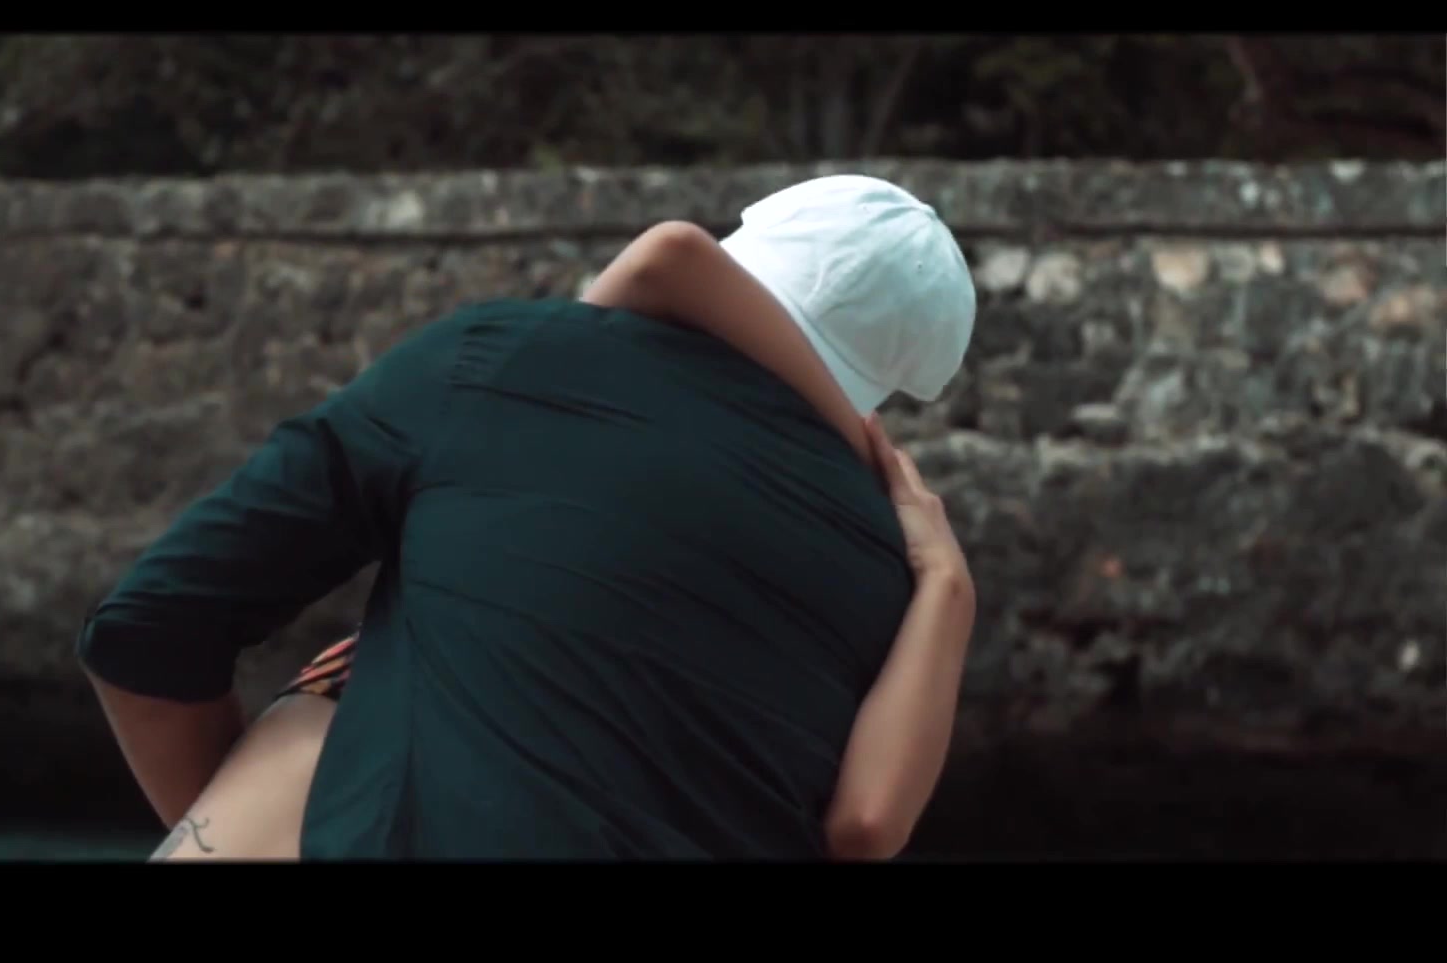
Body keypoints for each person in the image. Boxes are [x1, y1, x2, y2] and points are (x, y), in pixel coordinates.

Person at [79, 175, 979, 859]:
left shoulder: (507, 361)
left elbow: (147, 633)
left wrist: (269, 819)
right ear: (886, 388)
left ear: (749, 246)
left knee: (343, 688)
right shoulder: (890, 566)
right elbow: (863, 831)